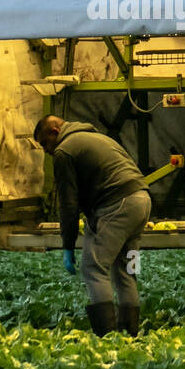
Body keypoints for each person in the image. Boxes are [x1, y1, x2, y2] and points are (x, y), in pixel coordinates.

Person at [34, 115, 152, 336]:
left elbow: (68, 203)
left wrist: (67, 245)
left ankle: (107, 337)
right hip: (142, 201)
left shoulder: (64, 151)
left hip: (119, 205)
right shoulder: (95, 136)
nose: (46, 151)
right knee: (126, 270)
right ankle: (130, 333)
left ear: (54, 132)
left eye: (44, 144)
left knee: (93, 268)